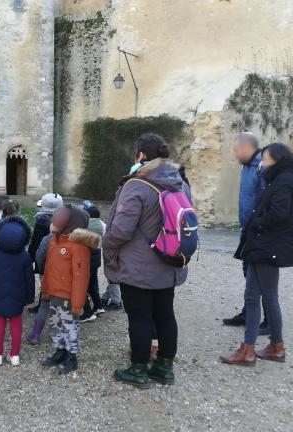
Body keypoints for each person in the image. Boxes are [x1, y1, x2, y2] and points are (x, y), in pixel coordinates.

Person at [105, 133, 191, 389]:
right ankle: (165, 367)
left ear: (141, 155)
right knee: (165, 315)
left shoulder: (138, 184)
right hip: (170, 259)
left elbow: (121, 230)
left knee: (140, 317)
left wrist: (106, 243)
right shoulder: (180, 182)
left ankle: (139, 369)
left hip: (139, 265)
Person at [221, 143, 293, 366]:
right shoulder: (280, 178)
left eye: (266, 159)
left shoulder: (286, 180)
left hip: (268, 246)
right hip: (261, 245)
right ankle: (252, 348)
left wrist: (255, 223)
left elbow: (279, 213)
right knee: (253, 296)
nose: (262, 163)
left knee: (268, 296)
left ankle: (272, 346)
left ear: (277, 160)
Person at [40, 205, 100, 374]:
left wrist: (78, 302)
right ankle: (60, 351)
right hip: (54, 293)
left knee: (69, 326)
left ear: (72, 221)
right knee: (55, 325)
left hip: (68, 296)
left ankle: (71, 357)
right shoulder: (55, 239)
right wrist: (45, 289)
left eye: (63, 214)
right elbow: (48, 268)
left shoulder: (78, 245)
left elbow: (81, 276)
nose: (57, 216)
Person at [223, 133, 270, 335]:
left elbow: (266, 200)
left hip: (258, 232)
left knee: (260, 276)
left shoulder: (262, 167)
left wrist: (258, 226)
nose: (235, 155)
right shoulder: (247, 167)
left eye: (236, 151)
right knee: (248, 273)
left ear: (245, 148)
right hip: (247, 230)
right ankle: (248, 313)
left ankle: (269, 320)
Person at [0, 216, 35, 366]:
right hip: (17, 297)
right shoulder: (25, 256)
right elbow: (30, 280)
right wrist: (29, 298)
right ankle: (14, 355)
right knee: (16, 325)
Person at [27, 193, 63, 320]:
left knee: (45, 281)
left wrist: (31, 257)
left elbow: (36, 243)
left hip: (44, 258)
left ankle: (43, 304)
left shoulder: (40, 222)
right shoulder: (66, 220)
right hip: (62, 257)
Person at [79, 201, 106, 322]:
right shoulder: (100, 226)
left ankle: (88, 312)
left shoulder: (86, 226)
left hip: (87, 261)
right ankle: (99, 306)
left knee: (83, 285)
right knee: (93, 284)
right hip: (96, 260)